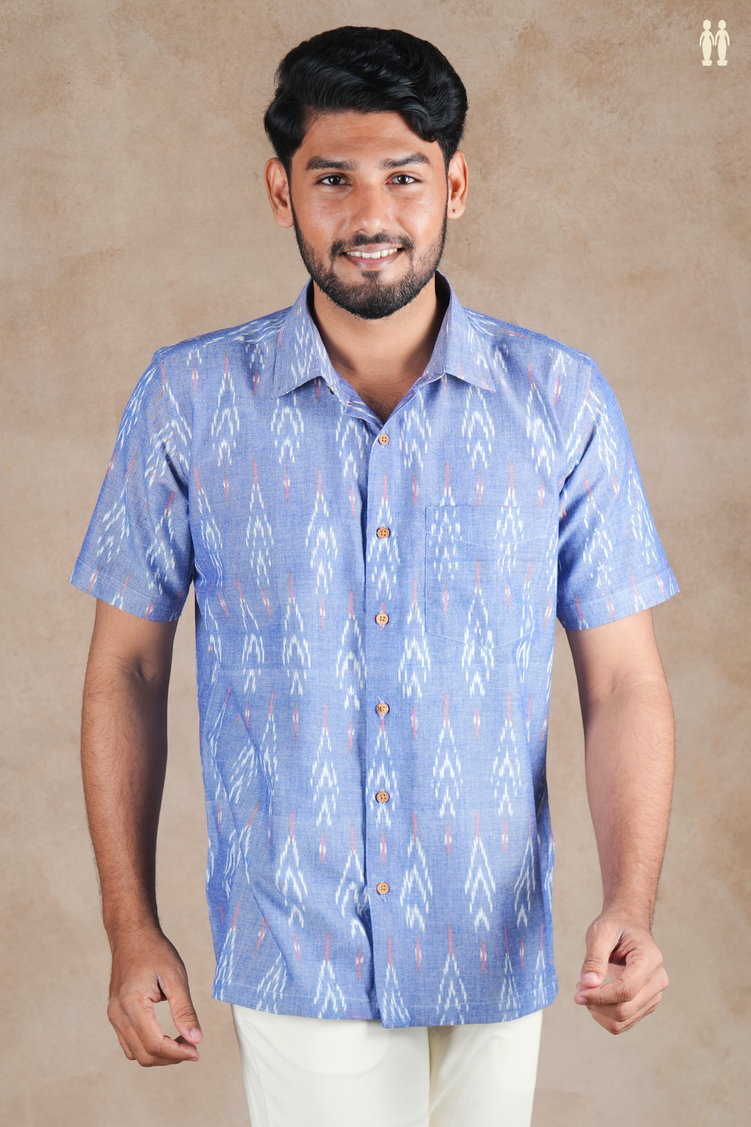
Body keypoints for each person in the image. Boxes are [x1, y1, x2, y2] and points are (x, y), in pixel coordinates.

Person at [72, 25, 677, 1127]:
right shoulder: (189, 399)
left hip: (493, 944)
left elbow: (623, 680)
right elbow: (128, 670)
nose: (368, 215)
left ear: (454, 185)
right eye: (331, 179)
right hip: (295, 941)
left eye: (403, 177)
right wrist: (131, 923)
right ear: (280, 190)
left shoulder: (560, 401)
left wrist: (629, 899)